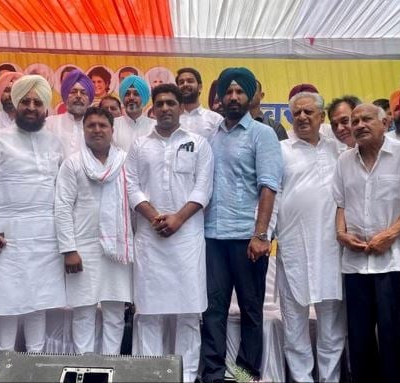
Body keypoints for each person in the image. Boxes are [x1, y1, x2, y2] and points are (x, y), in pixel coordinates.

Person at [0, 75, 66, 354]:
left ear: (46, 108)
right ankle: (4, 368)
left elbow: (62, 192)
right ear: (15, 103)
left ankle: (35, 366)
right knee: (6, 305)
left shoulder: (55, 143)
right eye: (26, 101)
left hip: (45, 237)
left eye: (38, 102)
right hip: (4, 236)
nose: (32, 107)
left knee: (38, 304)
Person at [126, 84, 213, 382]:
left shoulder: (198, 143)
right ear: (153, 108)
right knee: (149, 312)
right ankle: (150, 374)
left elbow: (204, 188)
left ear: (180, 107)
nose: (165, 108)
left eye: (171, 103)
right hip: (150, 238)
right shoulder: (139, 145)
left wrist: (178, 218)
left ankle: (186, 375)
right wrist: (153, 217)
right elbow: (131, 186)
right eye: (160, 103)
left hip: (187, 237)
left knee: (189, 312)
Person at [201, 68, 283, 382]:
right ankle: (212, 374)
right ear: (220, 97)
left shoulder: (262, 134)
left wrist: (261, 234)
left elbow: (269, 186)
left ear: (250, 96)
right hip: (213, 237)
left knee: (251, 310)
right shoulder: (211, 137)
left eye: (239, 91)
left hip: (249, 238)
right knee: (213, 311)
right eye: (228, 92)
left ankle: (246, 374)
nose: (233, 97)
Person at [334, 103, 400, 382]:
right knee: (359, 337)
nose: (359, 125)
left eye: (367, 119)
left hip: (392, 262)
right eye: (354, 121)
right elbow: (340, 203)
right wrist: (340, 233)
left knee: (394, 338)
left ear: (386, 122)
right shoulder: (344, 160)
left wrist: (391, 234)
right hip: (354, 264)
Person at [275, 91, 345, 382]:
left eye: (308, 112)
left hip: (331, 250)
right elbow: (270, 194)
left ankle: (330, 379)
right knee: (294, 327)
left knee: (332, 328)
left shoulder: (338, 149)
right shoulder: (279, 149)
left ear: (321, 116)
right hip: (293, 249)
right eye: (297, 113)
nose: (302, 117)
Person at [55, 106, 133, 355]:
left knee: (114, 312)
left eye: (103, 125)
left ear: (112, 130)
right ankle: (83, 366)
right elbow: (62, 207)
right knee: (84, 311)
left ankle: (111, 364)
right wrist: (69, 250)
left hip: (118, 249)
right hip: (82, 248)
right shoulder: (73, 163)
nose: (97, 130)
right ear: (83, 129)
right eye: (91, 125)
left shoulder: (126, 162)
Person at [46, 69, 94, 158]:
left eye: (83, 93)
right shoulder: (49, 123)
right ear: (65, 96)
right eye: (73, 92)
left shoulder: (95, 127)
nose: (78, 96)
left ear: (90, 100)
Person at [176, 67, 222, 139]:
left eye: (190, 81)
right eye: (181, 82)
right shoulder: (172, 118)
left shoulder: (215, 119)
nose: (185, 84)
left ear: (200, 87)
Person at [112, 75, 155, 152]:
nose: (131, 97)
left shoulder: (154, 126)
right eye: (127, 94)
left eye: (136, 94)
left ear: (144, 98)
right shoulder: (113, 125)